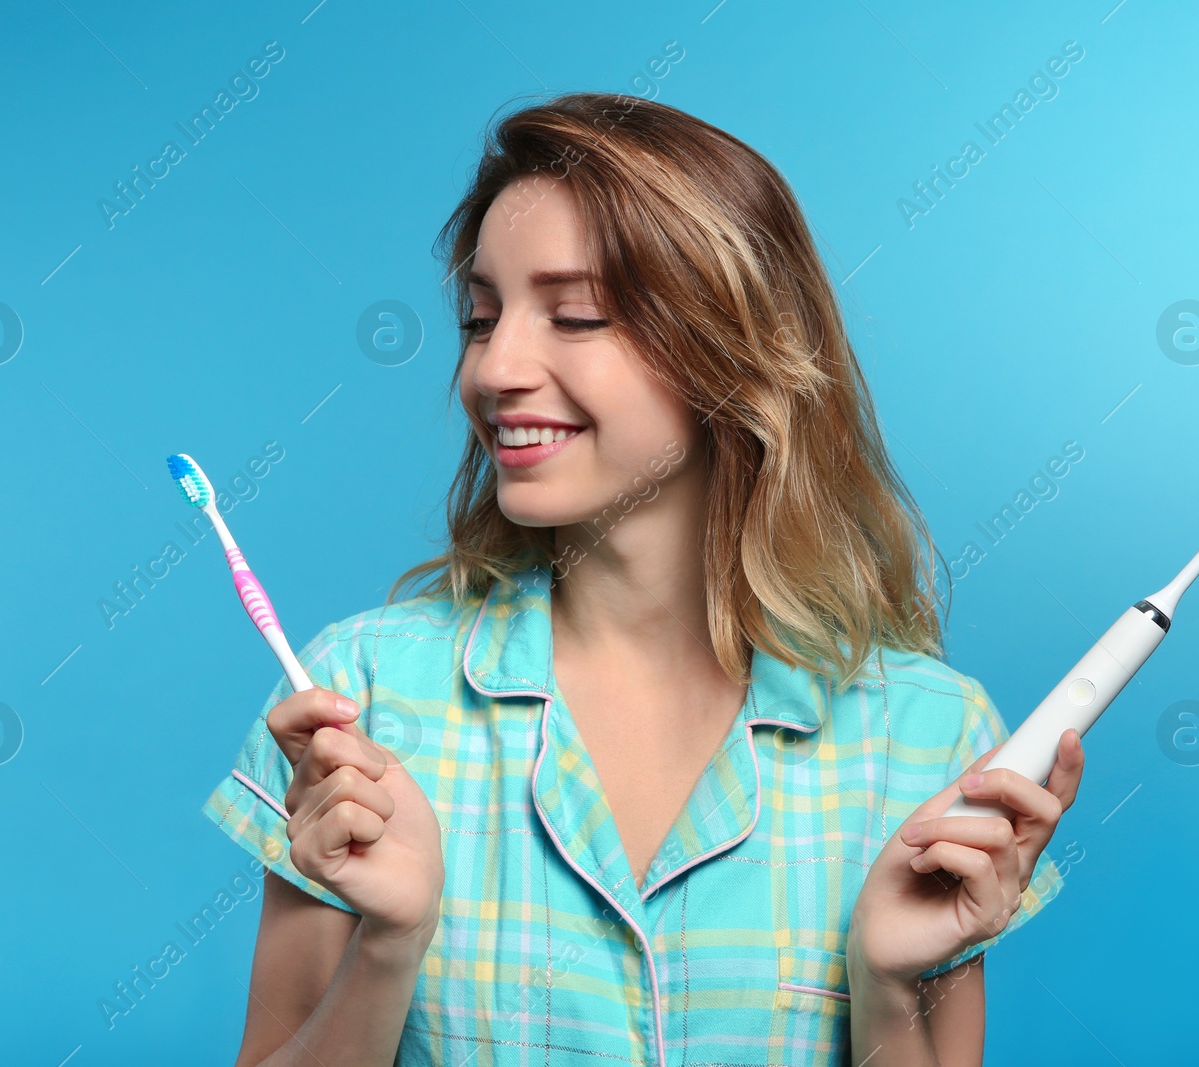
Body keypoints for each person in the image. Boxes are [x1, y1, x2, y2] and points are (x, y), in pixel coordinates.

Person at [203, 90, 1085, 1067]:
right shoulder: (359, 697)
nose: (495, 368)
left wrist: (882, 988)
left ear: (728, 350)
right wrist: (387, 945)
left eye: (574, 315)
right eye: (480, 317)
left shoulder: (927, 737)